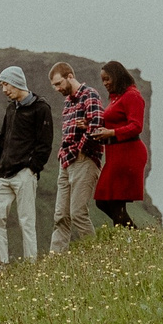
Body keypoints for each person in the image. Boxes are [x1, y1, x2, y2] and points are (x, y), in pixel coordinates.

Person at [0, 65, 53, 265]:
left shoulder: (41, 107)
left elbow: (45, 144)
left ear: (16, 82)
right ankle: (1, 267)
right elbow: (3, 138)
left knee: (26, 221)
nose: (4, 89)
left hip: (24, 173)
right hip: (3, 174)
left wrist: (32, 168)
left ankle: (31, 267)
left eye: (6, 84)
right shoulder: (11, 107)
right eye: (2, 85)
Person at [48, 62, 107, 253]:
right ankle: (55, 262)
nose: (57, 89)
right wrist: (63, 153)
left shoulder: (89, 94)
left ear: (70, 76)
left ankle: (95, 256)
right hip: (66, 161)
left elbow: (97, 127)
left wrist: (80, 148)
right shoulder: (68, 101)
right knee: (60, 215)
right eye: (54, 86)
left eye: (58, 83)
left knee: (78, 213)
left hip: (84, 159)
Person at [88, 61, 151, 228]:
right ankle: (135, 236)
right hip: (115, 154)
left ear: (117, 76)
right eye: (103, 80)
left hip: (129, 154)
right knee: (103, 201)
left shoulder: (132, 96)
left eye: (107, 79)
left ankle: (131, 241)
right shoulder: (117, 98)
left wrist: (111, 133)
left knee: (115, 202)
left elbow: (136, 126)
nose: (105, 83)